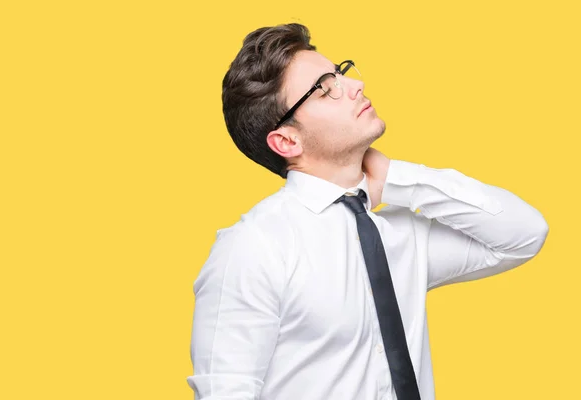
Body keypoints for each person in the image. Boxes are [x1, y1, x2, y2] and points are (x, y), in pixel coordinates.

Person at [186, 23, 549, 400]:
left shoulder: (401, 234)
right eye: (326, 88)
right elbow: (226, 391)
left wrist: (396, 178)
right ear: (286, 140)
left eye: (340, 74)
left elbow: (523, 234)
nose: (354, 86)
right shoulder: (253, 247)